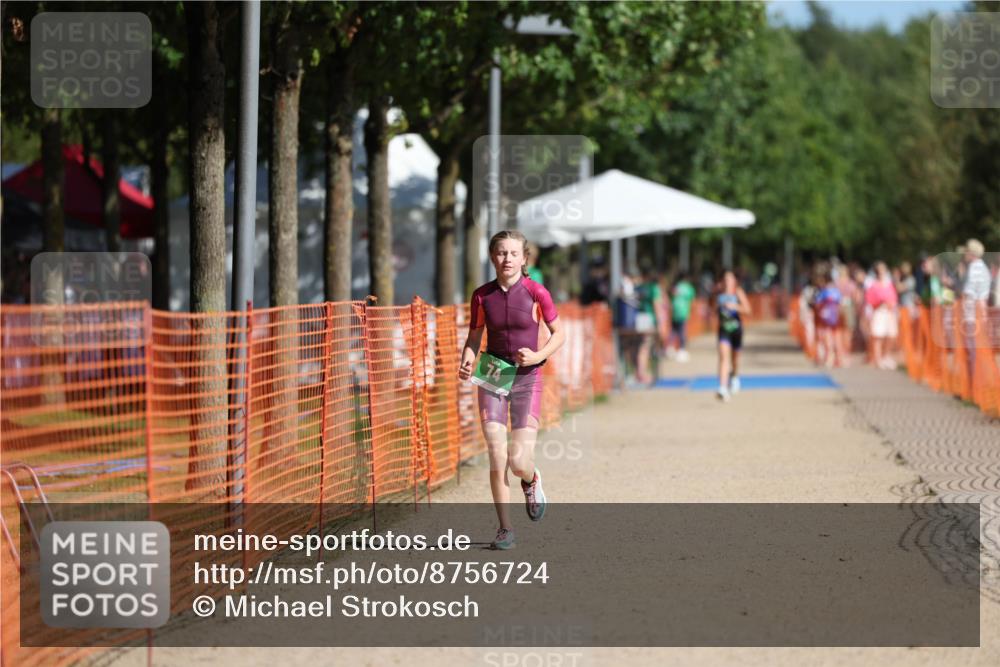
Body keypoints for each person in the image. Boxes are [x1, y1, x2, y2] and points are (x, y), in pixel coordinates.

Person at [458, 230, 565, 550]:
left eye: (513, 253)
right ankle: (505, 528)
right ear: (492, 257)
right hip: (492, 372)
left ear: (524, 258)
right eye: (501, 253)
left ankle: (530, 480)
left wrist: (537, 355)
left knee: (518, 461)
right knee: (496, 452)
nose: (507, 259)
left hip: (527, 376)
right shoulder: (481, 295)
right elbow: (475, 337)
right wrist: (466, 360)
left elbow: (559, 334)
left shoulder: (536, 292)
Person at [714, 270, 752, 402]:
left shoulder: (738, 292)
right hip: (723, 330)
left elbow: (748, 310)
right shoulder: (718, 293)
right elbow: (712, 309)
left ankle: (735, 376)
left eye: (730, 279)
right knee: (724, 357)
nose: (727, 282)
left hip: (736, 330)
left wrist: (735, 306)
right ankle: (722, 388)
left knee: (735, 360)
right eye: (725, 279)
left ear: (734, 281)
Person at [865, 262, 899, 370]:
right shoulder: (873, 285)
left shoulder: (889, 284)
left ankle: (886, 356)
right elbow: (869, 299)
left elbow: (894, 298)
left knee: (891, 334)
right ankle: (878, 358)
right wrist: (878, 303)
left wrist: (891, 304)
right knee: (878, 336)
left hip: (889, 312)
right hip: (879, 311)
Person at [634, 264, 663, 384]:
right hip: (649, 319)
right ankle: (642, 374)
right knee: (645, 347)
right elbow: (657, 305)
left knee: (640, 347)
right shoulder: (654, 288)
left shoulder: (639, 287)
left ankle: (640, 372)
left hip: (638, 319)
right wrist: (660, 321)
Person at [813, 267, 843, 368]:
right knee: (836, 338)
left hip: (826, 318)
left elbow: (817, 304)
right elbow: (840, 304)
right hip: (835, 317)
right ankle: (837, 358)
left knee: (827, 338)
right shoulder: (836, 291)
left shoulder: (824, 291)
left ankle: (830, 357)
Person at [665, 272, 696, 362]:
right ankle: (681, 350)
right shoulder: (689, 288)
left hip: (674, 311)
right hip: (683, 312)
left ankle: (669, 348)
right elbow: (692, 301)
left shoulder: (676, 286)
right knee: (682, 331)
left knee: (673, 330)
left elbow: (671, 296)